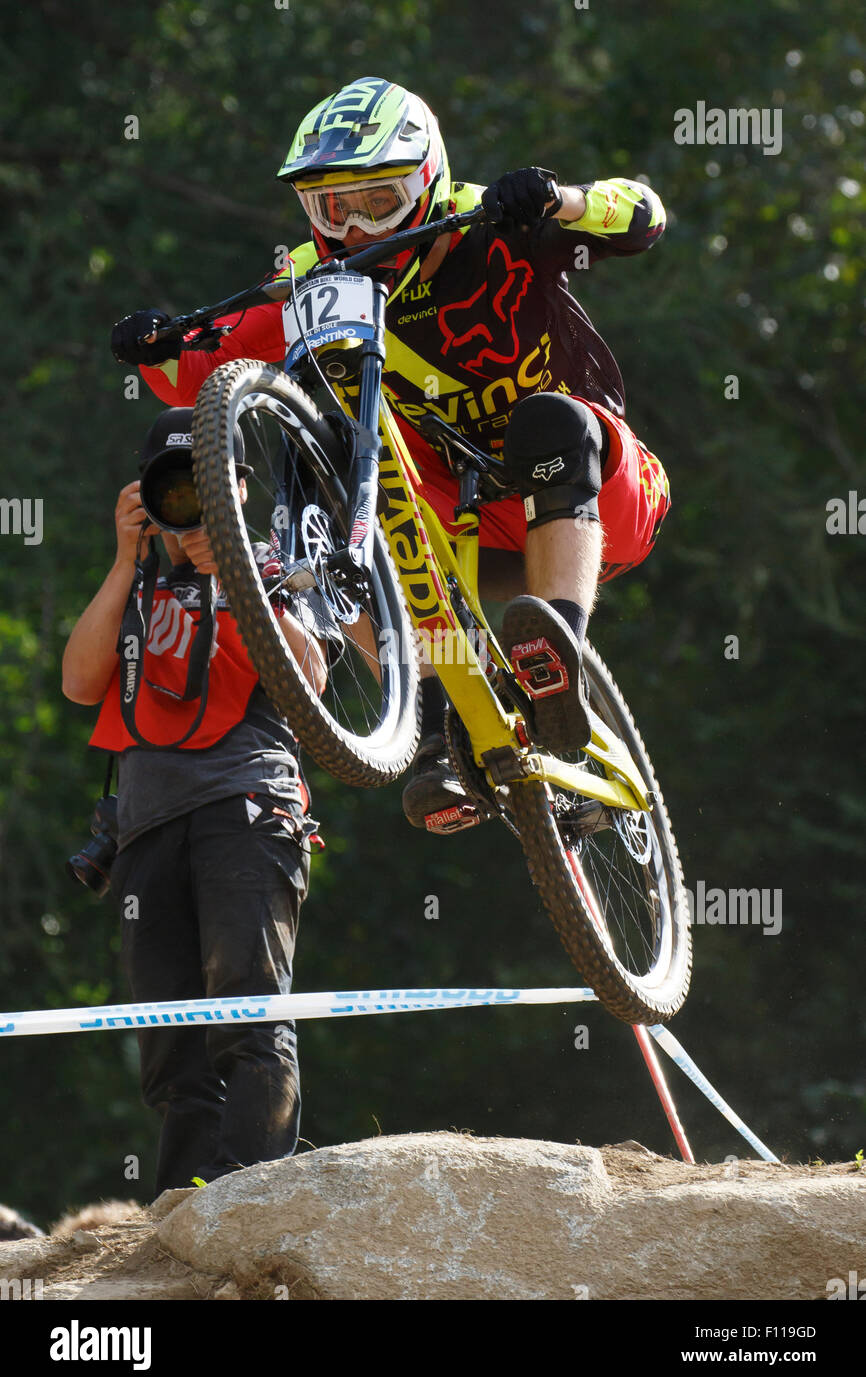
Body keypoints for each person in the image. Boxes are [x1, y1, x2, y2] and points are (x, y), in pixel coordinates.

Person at [110, 76, 671, 833]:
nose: (358, 228)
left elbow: (643, 217)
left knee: (544, 422)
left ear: (429, 179)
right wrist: (157, 343)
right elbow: (203, 368)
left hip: (598, 491)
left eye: (380, 200)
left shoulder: (495, 217)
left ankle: (558, 649)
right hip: (468, 520)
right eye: (332, 207)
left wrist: (557, 199)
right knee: (362, 518)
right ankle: (447, 733)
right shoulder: (315, 276)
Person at [62, 408, 328, 1196]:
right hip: (146, 826)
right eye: (171, 488)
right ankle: (183, 1203)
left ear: (239, 488)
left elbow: (310, 678)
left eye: (207, 484)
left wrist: (230, 574)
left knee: (247, 1011)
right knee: (167, 1040)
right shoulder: (138, 578)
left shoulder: (276, 569)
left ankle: (249, 1190)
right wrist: (123, 558)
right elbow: (80, 682)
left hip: (244, 808)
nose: (191, 504)